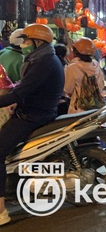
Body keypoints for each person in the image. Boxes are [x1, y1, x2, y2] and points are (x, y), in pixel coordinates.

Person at [0, 24, 63, 225]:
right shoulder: (41, 58)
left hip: (34, 115)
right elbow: (25, 88)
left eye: (27, 41)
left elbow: (20, 92)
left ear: (37, 42)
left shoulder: (44, 62)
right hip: (32, 109)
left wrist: (10, 101)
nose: (24, 44)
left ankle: (1, 211)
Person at [63, 37, 105, 114]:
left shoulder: (72, 67)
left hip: (78, 108)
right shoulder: (96, 65)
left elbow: (68, 89)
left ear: (75, 51)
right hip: (96, 107)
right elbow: (101, 86)